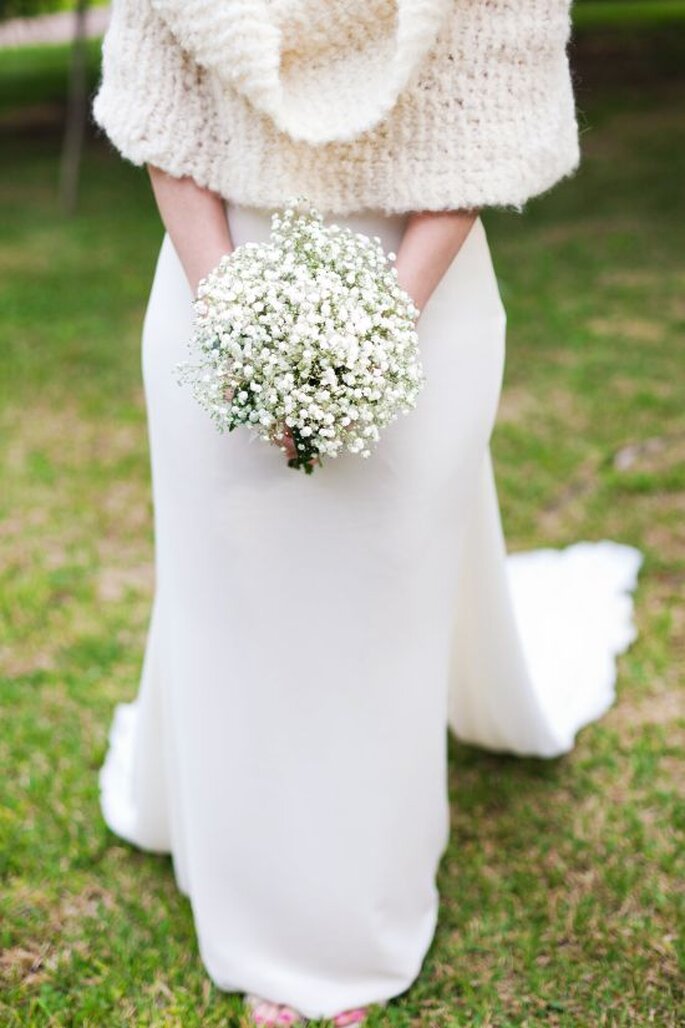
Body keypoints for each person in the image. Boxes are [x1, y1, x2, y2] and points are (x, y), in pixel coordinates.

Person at [91, 1, 643, 1024]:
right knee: (237, 601)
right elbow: (165, 123)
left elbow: (486, 127)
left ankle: (349, 919)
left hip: (420, 287)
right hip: (215, 277)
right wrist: (242, 327)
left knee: (377, 609)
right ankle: (255, 896)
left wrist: (378, 325)